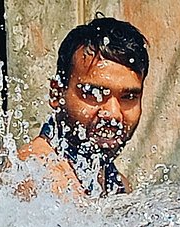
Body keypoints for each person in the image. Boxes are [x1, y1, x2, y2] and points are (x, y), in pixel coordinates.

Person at [18, 17, 149, 197]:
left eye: (128, 97)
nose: (113, 113)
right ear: (56, 94)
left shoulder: (118, 184)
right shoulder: (34, 174)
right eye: (94, 93)